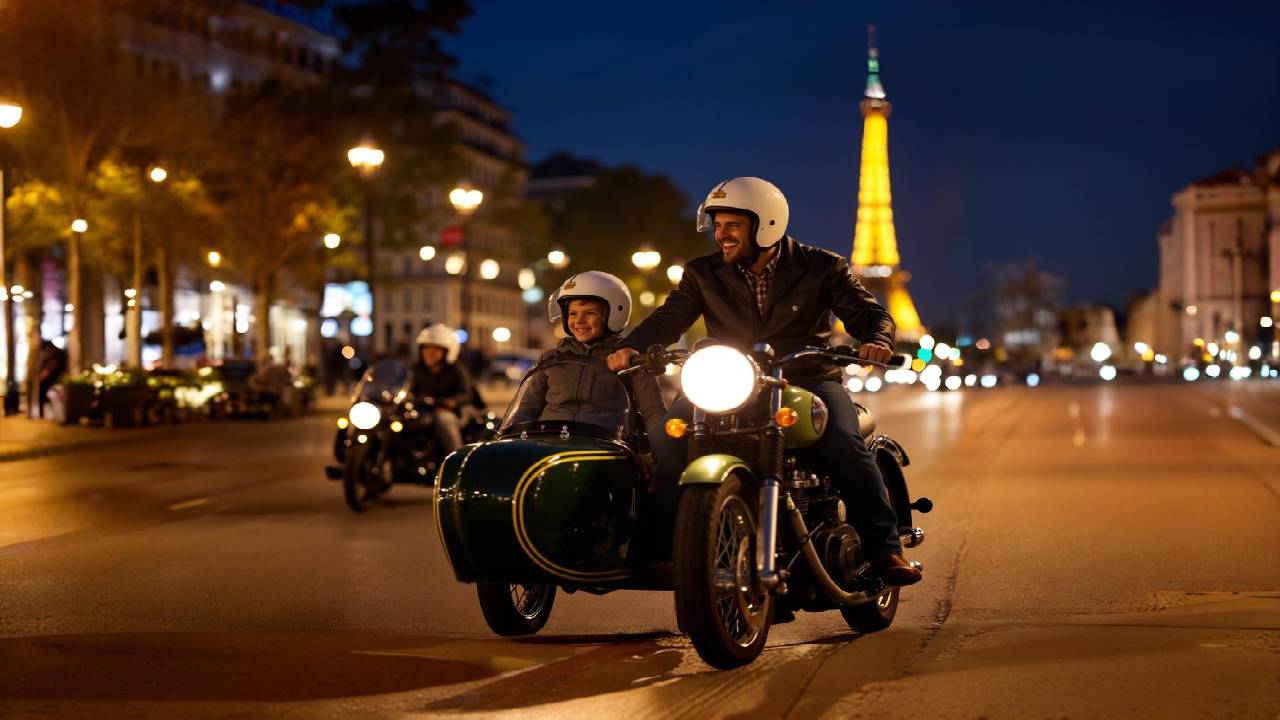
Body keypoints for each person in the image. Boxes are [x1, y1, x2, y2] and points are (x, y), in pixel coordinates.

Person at [606, 176, 920, 586]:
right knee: (666, 438)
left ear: (766, 224)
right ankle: (666, 546)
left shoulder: (822, 266)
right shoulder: (703, 273)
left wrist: (877, 340)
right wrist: (633, 346)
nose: (722, 235)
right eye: (717, 225)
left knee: (844, 440)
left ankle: (884, 550)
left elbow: (869, 313)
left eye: (732, 225)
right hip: (728, 379)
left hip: (807, 379)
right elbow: (669, 318)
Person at [510, 271, 665, 442]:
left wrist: (650, 450)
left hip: (604, 448)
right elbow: (526, 409)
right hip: (549, 444)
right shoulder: (551, 359)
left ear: (614, 314)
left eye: (589, 313)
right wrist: (511, 440)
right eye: (572, 313)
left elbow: (653, 412)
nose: (579, 320)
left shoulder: (629, 359)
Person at [412, 323, 473, 454]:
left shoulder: (457, 370)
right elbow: (406, 388)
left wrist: (452, 401)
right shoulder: (415, 370)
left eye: (436, 349)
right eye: (426, 348)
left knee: (443, 419)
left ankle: (456, 460)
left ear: (448, 351)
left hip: (454, 411)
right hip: (422, 410)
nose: (429, 353)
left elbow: (466, 394)